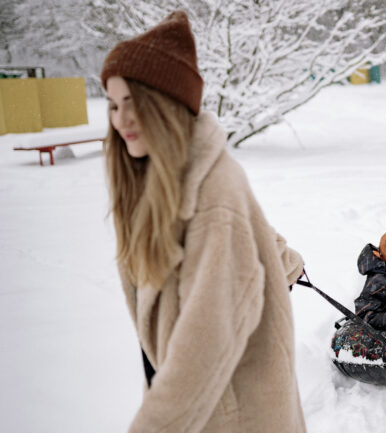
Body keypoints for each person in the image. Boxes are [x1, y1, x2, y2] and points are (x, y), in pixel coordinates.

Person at [101, 11, 306, 432]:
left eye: (133, 103)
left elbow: (204, 348)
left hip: (231, 414)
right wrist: (285, 261)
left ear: (164, 105)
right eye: (113, 105)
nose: (120, 120)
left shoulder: (215, 192)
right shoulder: (162, 178)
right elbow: (254, 233)